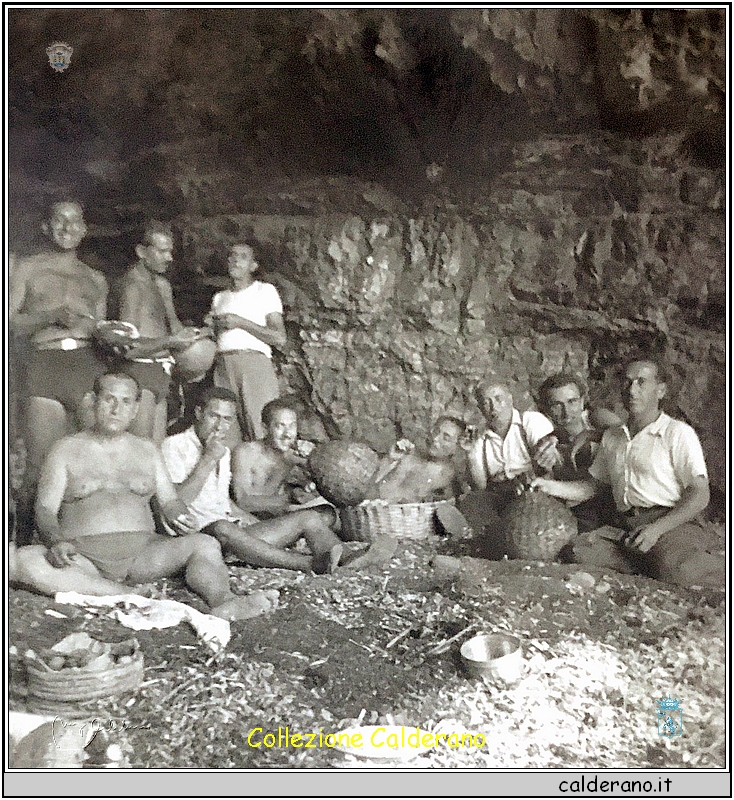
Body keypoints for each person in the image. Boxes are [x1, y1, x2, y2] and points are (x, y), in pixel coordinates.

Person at [18, 372, 276, 621]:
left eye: (126, 401)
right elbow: (45, 509)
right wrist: (56, 540)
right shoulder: (65, 449)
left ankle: (223, 601)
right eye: (109, 399)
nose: (116, 409)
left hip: (144, 554)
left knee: (204, 544)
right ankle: (125, 594)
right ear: (93, 402)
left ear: (135, 409)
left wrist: (177, 514)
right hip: (85, 556)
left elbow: (169, 501)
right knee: (14, 559)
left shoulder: (147, 450)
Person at [533, 358, 724, 588]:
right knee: (579, 550)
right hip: (627, 526)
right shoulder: (614, 437)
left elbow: (700, 495)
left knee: (677, 573)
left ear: (660, 390)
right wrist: (545, 485)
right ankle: (650, 562)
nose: (632, 390)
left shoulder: (677, 433)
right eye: (627, 383)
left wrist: (656, 529)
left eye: (641, 382)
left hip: (670, 522)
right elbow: (592, 486)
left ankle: (692, 563)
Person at [161, 389, 345, 573]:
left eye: (227, 419)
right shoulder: (174, 446)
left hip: (231, 534)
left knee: (309, 517)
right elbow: (174, 503)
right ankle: (308, 564)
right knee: (222, 527)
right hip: (199, 538)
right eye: (214, 416)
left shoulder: (223, 452)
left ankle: (344, 560)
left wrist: (251, 523)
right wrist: (208, 460)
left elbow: (224, 502)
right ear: (199, 413)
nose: (219, 426)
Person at [9, 201, 108, 488]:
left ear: (84, 229)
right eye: (59, 220)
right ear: (46, 227)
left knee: (90, 461)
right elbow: (9, 323)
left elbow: (101, 328)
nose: (67, 228)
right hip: (45, 362)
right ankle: (25, 533)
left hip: (88, 365)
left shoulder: (95, 279)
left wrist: (107, 334)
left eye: (75, 221)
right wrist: (49, 316)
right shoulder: (27, 268)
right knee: (41, 464)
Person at [117, 221, 199, 441]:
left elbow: (174, 327)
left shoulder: (162, 285)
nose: (170, 258)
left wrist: (200, 334)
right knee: (141, 452)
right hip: (139, 373)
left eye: (170, 251)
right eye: (162, 251)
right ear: (141, 251)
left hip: (161, 373)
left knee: (155, 454)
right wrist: (171, 341)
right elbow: (127, 347)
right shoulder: (131, 287)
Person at [461, 381, 560, 557]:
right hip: (500, 494)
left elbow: (548, 455)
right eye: (486, 402)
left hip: (532, 489)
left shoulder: (530, 421)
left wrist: (547, 452)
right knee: (474, 503)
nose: (494, 407)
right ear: (481, 408)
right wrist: (469, 454)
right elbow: (480, 487)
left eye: (499, 399)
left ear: (510, 399)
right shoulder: (480, 437)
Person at [206, 243, 286, 440]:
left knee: (260, 428)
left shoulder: (264, 291)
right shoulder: (219, 298)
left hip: (254, 365)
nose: (234, 260)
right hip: (223, 367)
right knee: (224, 433)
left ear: (254, 265)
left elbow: (279, 338)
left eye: (242, 257)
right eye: (231, 256)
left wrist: (240, 322)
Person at [537, 372, 621, 531]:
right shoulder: (549, 443)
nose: (566, 411)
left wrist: (590, 435)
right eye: (557, 405)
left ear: (582, 401)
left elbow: (632, 437)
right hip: (586, 510)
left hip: (618, 500)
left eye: (572, 402)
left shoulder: (596, 418)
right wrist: (545, 469)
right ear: (546, 410)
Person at [366, 416, 467, 504]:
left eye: (446, 438)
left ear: (457, 447)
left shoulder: (449, 476)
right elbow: (372, 495)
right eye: (436, 432)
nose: (435, 439)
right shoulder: (411, 459)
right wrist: (390, 460)